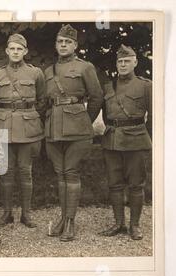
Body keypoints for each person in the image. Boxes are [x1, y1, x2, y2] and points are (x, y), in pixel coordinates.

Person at [44, 24, 103, 241]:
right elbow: (44, 101)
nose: (63, 45)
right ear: (55, 44)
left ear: (75, 45)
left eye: (67, 42)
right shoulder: (48, 71)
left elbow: (96, 97)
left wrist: (84, 120)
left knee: (71, 172)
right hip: (53, 129)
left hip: (77, 129)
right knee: (60, 174)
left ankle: (70, 222)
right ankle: (62, 217)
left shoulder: (85, 67)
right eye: (60, 41)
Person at [0, 33, 46, 228]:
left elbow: (42, 101)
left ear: (25, 51)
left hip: (28, 128)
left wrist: (29, 115)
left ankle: (26, 214)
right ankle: (6, 213)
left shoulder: (35, 73)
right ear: (6, 51)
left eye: (19, 49)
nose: (15, 52)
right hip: (3, 126)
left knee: (25, 172)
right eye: (12, 48)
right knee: (5, 172)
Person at [99, 44, 152, 240]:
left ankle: (135, 225)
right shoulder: (108, 86)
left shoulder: (146, 85)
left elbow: (154, 116)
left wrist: (149, 138)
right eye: (119, 61)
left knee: (136, 184)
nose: (122, 64)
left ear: (135, 62)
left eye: (126, 61)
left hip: (135, 140)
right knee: (114, 184)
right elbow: (106, 116)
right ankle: (118, 223)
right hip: (112, 140)